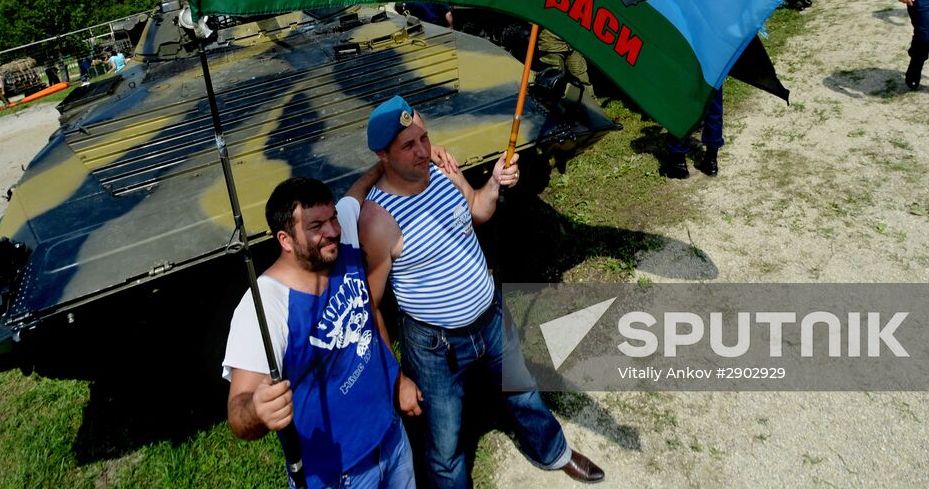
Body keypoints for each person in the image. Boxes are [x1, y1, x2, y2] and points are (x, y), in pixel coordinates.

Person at [358, 97, 604, 487]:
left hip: (490, 318)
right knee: (445, 442)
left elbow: (477, 210)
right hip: (437, 347)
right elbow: (369, 306)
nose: (423, 150)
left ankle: (553, 451)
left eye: (424, 138)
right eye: (408, 145)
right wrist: (396, 378)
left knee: (523, 392)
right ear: (382, 156)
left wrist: (493, 182)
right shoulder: (376, 220)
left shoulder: (441, 171)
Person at [222, 164, 417, 489]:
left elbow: (356, 192)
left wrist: (386, 164)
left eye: (333, 219)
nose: (333, 231)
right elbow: (237, 413)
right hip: (340, 476)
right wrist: (257, 410)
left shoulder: (342, 240)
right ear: (285, 239)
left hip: (393, 439)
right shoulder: (265, 306)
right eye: (316, 226)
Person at [662, 87, 723, 178]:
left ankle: (679, 164)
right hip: (713, 74)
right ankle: (711, 161)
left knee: (681, 106)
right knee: (713, 108)